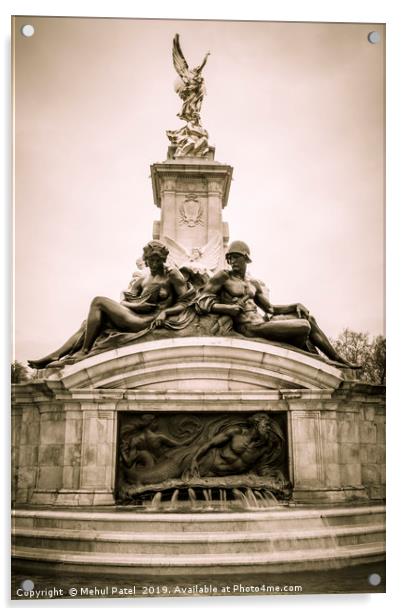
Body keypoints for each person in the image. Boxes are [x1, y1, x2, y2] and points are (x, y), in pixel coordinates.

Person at [28, 241, 195, 369]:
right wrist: (137, 307)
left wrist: (165, 313)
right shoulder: (144, 279)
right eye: (151, 260)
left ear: (164, 259)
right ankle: (56, 355)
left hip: (149, 320)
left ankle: (84, 352)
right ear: (146, 260)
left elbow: (186, 302)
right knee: (88, 323)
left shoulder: (172, 274)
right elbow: (124, 301)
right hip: (135, 315)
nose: (154, 264)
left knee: (98, 301)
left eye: (158, 260)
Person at [197, 240, 359, 367]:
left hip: (262, 324)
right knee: (304, 326)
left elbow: (271, 309)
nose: (233, 261)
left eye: (236, 257)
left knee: (308, 318)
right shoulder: (223, 277)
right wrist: (227, 308)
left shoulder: (253, 283)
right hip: (248, 328)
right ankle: (314, 358)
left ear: (246, 258)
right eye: (230, 258)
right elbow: (201, 301)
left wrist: (295, 305)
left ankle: (337, 359)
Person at [189, 413, 284, 478]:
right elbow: (210, 443)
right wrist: (194, 459)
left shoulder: (264, 447)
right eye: (266, 425)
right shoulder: (236, 432)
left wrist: (278, 473)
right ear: (256, 422)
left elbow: (262, 469)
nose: (268, 428)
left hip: (221, 476)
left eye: (269, 427)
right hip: (206, 464)